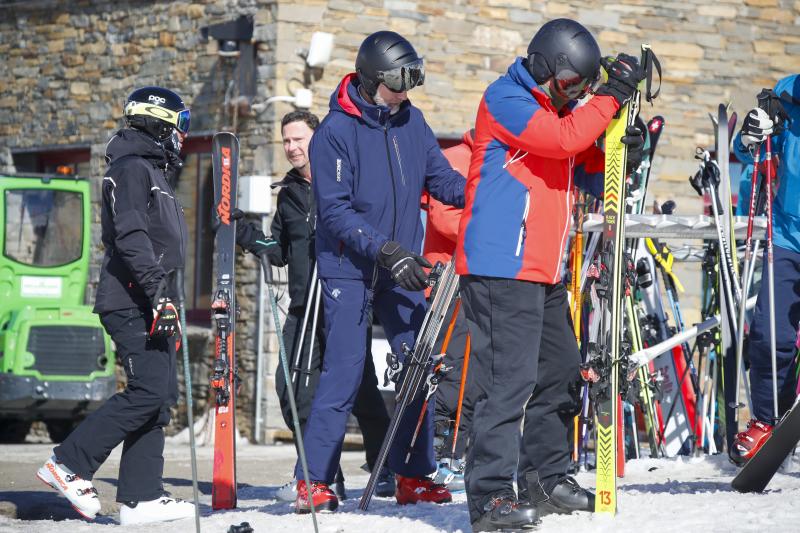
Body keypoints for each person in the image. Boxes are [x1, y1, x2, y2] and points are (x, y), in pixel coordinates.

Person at [455, 19, 644, 531]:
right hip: (501, 267)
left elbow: (582, 158)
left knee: (560, 374)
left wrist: (626, 143)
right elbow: (563, 140)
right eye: (569, 85)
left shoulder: (551, 111)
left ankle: (545, 478)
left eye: (580, 88)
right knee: (506, 383)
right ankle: (490, 497)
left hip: (543, 270)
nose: (574, 96)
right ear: (544, 66)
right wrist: (609, 96)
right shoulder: (505, 99)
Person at [292, 30, 465, 513]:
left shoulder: (412, 120)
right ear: (371, 80)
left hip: (402, 266)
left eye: (414, 79)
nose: (406, 91)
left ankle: (412, 474)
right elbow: (335, 212)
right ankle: (313, 479)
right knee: (345, 370)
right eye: (398, 81)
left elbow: (441, 180)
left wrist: (482, 191)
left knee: (419, 368)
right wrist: (388, 251)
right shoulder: (335, 133)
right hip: (350, 266)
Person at [36, 86, 195, 525]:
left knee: (158, 396)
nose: (184, 135)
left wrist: (168, 299)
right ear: (158, 122)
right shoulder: (130, 169)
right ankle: (68, 464)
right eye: (181, 124)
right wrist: (158, 294)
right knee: (146, 391)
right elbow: (131, 238)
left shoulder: (154, 172)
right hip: (131, 299)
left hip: (153, 298)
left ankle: (141, 497)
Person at [234, 110, 395, 500]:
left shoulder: (343, 181)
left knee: (362, 391)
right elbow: (280, 250)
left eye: (298, 139)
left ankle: (386, 469)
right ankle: (322, 474)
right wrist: (242, 232)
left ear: (317, 140)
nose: (290, 148)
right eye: (286, 141)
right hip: (304, 307)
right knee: (291, 389)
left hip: (343, 302)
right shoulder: (288, 194)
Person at [730, 74, 800, 464]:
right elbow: (749, 155)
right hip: (788, 237)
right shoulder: (788, 91)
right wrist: (751, 135)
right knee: (770, 336)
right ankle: (767, 422)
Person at [421, 129, 475, 492]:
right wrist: (493, 231)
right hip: (447, 279)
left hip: (478, 278)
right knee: (449, 368)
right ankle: (436, 449)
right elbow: (442, 217)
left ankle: (460, 447)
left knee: (471, 368)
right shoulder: (457, 156)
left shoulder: (500, 160)